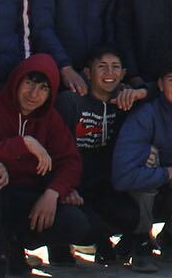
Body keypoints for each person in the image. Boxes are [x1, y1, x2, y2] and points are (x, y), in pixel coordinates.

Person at [0, 55, 90, 278]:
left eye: (43, 88)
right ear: (16, 81)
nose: (34, 94)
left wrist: (54, 193)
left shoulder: (50, 118)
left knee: (76, 223)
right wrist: (21, 145)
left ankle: (16, 245)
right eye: (29, 83)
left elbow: (71, 162)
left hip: (30, 197)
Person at [110, 54, 172, 273]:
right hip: (141, 196)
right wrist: (170, 173)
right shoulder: (145, 114)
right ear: (160, 84)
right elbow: (122, 176)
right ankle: (140, 240)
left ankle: (170, 237)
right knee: (147, 157)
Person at [55, 47, 141, 266]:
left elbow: (155, 92)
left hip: (103, 186)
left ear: (123, 74)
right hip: (70, 185)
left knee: (130, 215)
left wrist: (139, 92)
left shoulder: (124, 103)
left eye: (115, 67)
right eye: (102, 67)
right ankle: (60, 246)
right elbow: (55, 150)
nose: (109, 73)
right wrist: (63, 186)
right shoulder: (70, 102)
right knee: (81, 225)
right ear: (87, 73)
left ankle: (109, 242)